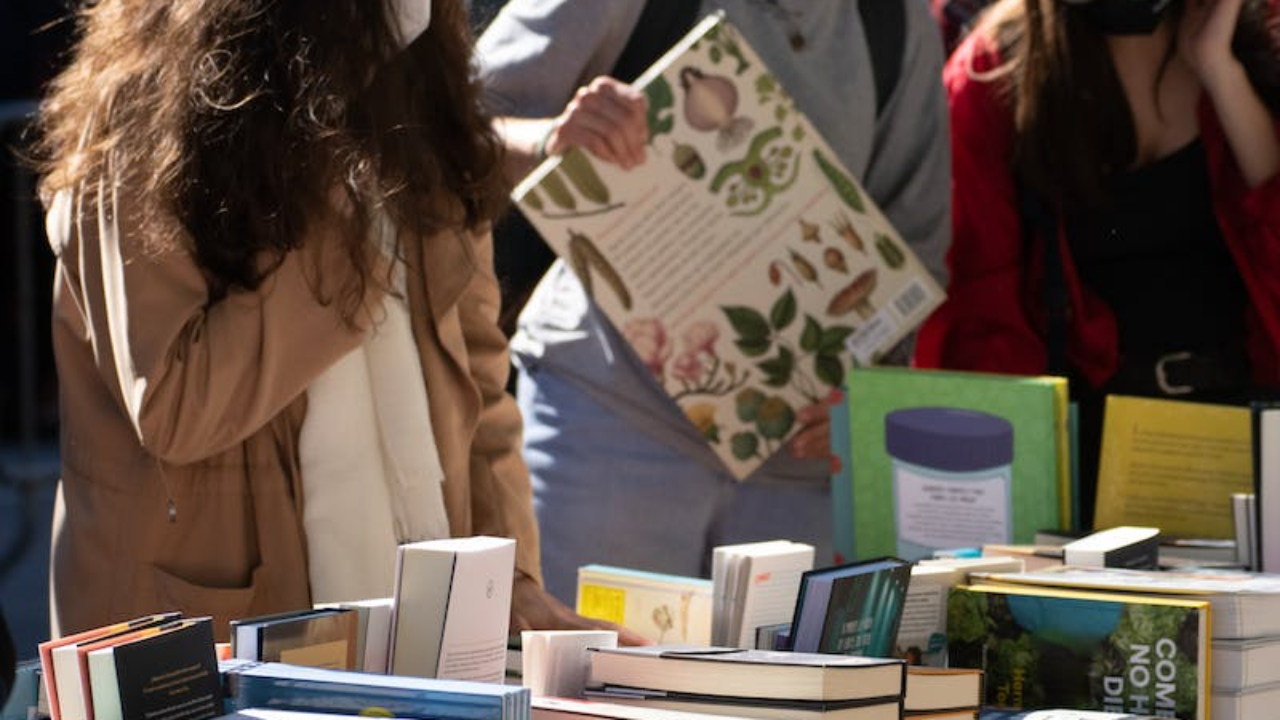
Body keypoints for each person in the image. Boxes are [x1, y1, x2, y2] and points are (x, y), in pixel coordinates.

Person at [34, 0, 631, 642]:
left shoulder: (418, 103)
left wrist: (508, 578)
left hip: (408, 638)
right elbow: (176, 408)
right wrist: (340, 230)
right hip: (199, 642)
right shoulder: (141, 122)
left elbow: (477, 392)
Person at [476, 1, 951, 604]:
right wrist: (550, 140)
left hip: (797, 468)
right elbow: (447, 127)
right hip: (608, 430)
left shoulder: (897, 22)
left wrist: (863, 392)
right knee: (588, 693)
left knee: (782, 701)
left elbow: (915, 248)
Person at [914, 0, 1280, 524]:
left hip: (1252, 440)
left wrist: (1222, 71)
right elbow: (980, 321)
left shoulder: (1259, 36)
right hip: (1087, 458)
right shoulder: (994, 72)